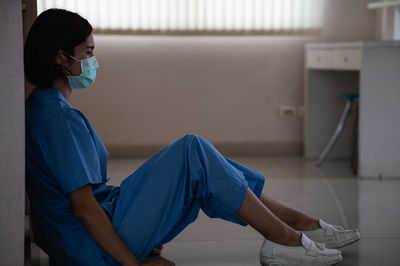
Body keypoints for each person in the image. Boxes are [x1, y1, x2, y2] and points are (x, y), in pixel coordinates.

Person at [24, 8, 360, 266]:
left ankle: (293, 226)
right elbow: (84, 208)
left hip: (83, 233)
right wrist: (132, 261)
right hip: (86, 247)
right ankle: (285, 236)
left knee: (202, 159)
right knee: (194, 153)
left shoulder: (45, 106)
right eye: (88, 53)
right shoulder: (58, 119)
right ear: (60, 58)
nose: (93, 61)